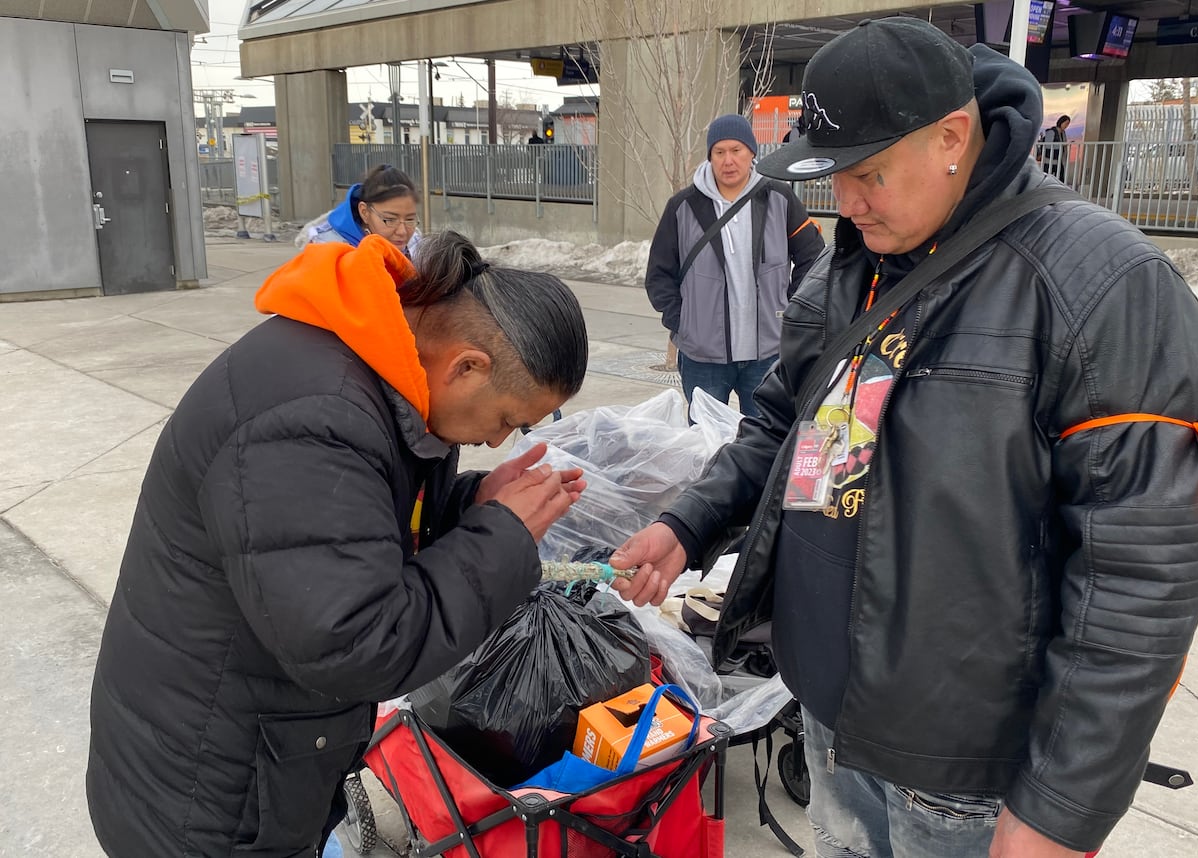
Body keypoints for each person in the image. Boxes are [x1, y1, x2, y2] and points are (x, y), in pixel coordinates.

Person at [611, 17, 1198, 858]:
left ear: (951, 137)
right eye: (836, 177)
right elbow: (782, 430)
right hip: (831, 719)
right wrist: (687, 524)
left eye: (868, 174)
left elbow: (1138, 578)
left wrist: (1061, 804)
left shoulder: (1098, 285)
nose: (849, 202)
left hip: (967, 774)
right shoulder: (850, 269)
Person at [86, 230, 590, 858]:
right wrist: (499, 541)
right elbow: (357, 639)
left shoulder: (386, 369)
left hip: (254, 754)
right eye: (509, 420)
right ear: (468, 365)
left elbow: (355, 530)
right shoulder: (311, 422)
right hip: (208, 795)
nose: (496, 441)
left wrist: (473, 507)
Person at [645, 113, 823, 418]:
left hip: (767, 352)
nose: (729, 160)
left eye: (737, 150)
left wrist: (791, 309)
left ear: (752, 152)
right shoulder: (683, 207)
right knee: (705, 442)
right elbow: (659, 275)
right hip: (704, 356)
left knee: (766, 438)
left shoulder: (778, 198)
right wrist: (683, 321)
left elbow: (813, 257)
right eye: (720, 152)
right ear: (710, 156)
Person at [303, 163, 423, 256]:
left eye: (409, 219)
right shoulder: (326, 249)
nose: (402, 231)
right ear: (364, 212)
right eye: (390, 220)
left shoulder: (416, 246)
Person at [1038, 113, 1071, 181]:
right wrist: (1060, 145)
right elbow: (1047, 146)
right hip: (1049, 161)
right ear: (1061, 122)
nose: (1066, 126)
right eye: (1066, 123)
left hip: (1058, 160)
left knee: (1060, 179)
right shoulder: (1051, 132)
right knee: (1047, 179)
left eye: (1068, 124)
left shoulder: (1062, 133)